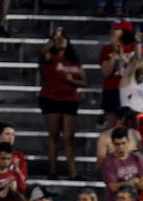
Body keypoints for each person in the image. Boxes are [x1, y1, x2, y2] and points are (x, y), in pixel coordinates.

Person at [38, 28, 86, 180]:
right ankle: (52, 171)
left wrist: (73, 81)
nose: (61, 42)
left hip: (70, 99)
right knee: (54, 135)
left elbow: (84, 81)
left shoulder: (74, 60)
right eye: (59, 40)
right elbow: (42, 52)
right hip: (51, 98)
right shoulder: (50, 57)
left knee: (69, 137)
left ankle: (73, 172)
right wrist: (53, 37)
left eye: (63, 39)